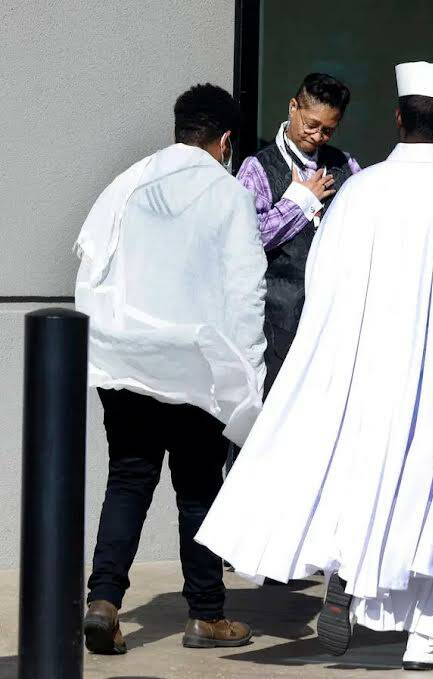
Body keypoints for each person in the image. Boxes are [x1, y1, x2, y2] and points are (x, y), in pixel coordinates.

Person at [196, 62, 433, 671]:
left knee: (359, 474)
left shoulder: (362, 189)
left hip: (364, 368)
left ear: (398, 118)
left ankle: (348, 572)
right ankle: (428, 638)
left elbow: (322, 280)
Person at [74, 83, 266, 654]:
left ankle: (103, 602)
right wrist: (249, 374)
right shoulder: (227, 194)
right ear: (226, 141)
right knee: (199, 492)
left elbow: (90, 260)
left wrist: (104, 342)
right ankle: (206, 616)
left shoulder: (126, 183)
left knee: (128, 480)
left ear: (180, 127)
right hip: (194, 364)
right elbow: (245, 292)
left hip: (125, 358)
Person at [237, 72, 361, 395]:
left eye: (328, 130)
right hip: (277, 325)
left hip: (334, 319)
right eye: (311, 125)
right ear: (293, 107)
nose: (318, 136)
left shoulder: (345, 165)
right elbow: (248, 239)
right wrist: (301, 201)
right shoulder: (257, 168)